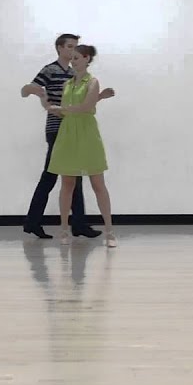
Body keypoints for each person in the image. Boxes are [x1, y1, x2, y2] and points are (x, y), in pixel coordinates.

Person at [20, 34, 114, 239]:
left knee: (74, 178)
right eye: (70, 47)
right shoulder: (50, 70)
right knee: (51, 176)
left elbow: (85, 103)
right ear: (59, 48)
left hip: (75, 128)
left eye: (76, 48)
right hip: (57, 128)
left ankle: (78, 224)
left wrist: (100, 96)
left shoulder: (76, 74)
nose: (73, 52)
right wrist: (35, 93)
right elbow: (30, 89)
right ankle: (33, 222)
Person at [47, 44, 116, 248]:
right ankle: (64, 230)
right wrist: (55, 109)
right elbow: (69, 109)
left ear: (86, 59)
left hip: (87, 134)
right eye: (72, 58)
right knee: (67, 184)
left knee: (98, 183)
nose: (73, 61)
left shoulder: (92, 81)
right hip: (68, 133)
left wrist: (63, 109)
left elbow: (86, 106)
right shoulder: (68, 84)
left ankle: (109, 231)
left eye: (76, 58)